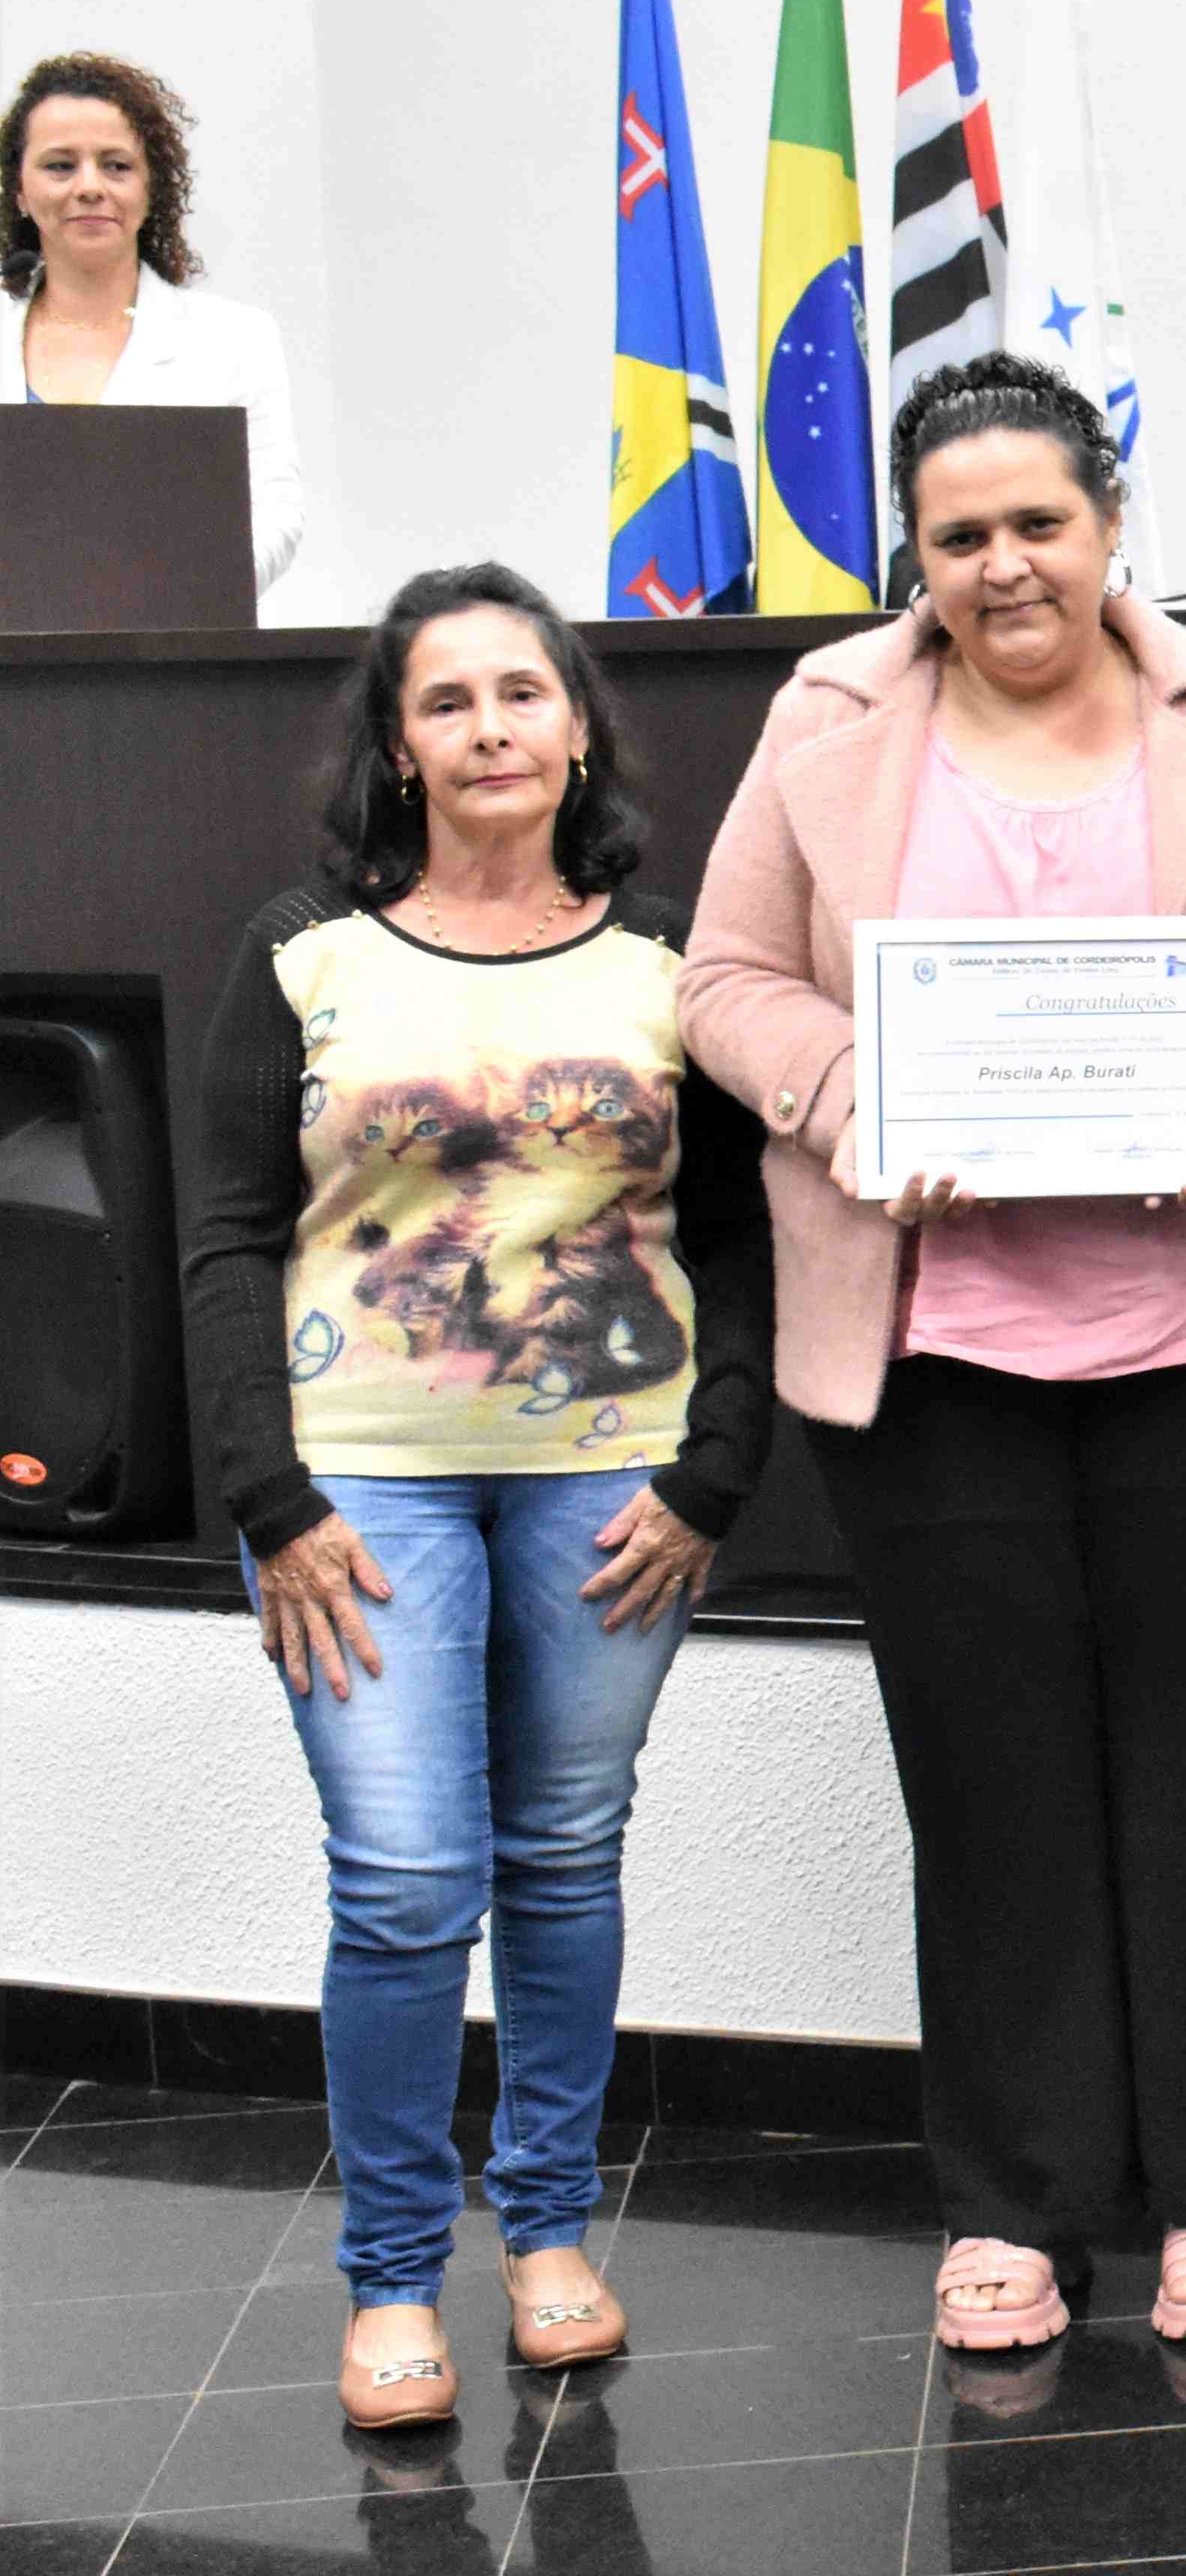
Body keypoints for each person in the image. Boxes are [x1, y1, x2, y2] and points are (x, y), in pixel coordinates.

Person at [680, 351, 1186, 2355]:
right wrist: (846, 1094)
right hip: (938, 1353)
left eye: (1037, 524)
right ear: (915, 546)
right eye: (960, 533)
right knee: (989, 1793)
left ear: (1109, 522)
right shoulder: (827, 721)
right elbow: (724, 980)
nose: (1003, 565)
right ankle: (1016, 2203)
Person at [178, 562, 771, 2428]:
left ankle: (548, 2236)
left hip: (615, 1487)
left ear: (577, 723)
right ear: (399, 742)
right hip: (365, 1491)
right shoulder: (302, 955)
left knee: (563, 1860)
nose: (492, 728)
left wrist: (717, 1465)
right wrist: (267, 1495)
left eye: (524, 692)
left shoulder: (674, 959)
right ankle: (387, 2274)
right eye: (449, 702)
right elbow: (221, 1243)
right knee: (407, 1878)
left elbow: (751, 1239)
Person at [7, 49, 304, 591]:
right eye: (60, 166)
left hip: (174, 659)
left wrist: (177, 596)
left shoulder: (236, 339)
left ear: (151, 189)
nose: (90, 186)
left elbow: (275, 515)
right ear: (20, 191)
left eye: (117, 165)